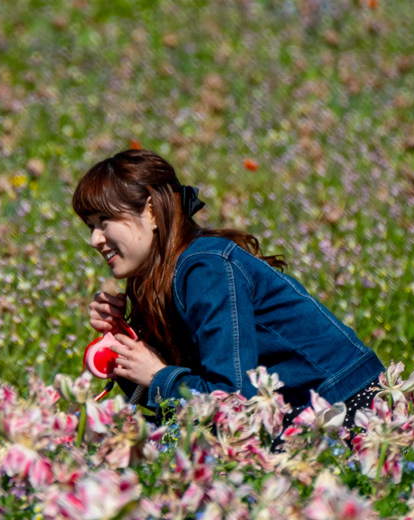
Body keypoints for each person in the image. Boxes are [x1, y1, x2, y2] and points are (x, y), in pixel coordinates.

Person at [72, 149, 385, 431]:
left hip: (350, 409)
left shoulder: (206, 269)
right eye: (90, 226)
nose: (95, 240)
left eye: (105, 221)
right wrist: (125, 345)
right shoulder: (155, 278)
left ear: (152, 211)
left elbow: (232, 401)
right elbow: (179, 394)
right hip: (297, 414)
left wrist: (158, 377)